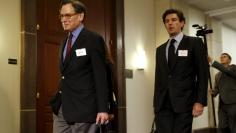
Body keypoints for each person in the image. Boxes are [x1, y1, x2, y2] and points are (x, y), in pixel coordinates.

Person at [53, 0, 109, 133]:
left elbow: (100, 77)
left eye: (68, 15)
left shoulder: (93, 39)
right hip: (62, 108)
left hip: (85, 109)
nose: (63, 19)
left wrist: (103, 109)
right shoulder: (64, 42)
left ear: (80, 16)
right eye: (61, 16)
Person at [153, 9, 209, 133]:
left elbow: (202, 74)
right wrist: (156, 105)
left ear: (182, 23)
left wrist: (200, 101)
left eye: (174, 20)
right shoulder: (160, 50)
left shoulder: (194, 43)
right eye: (167, 21)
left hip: (184, 103)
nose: (170, 23)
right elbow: (159, 79)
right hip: (163, 106)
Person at [209, 53, 236, 133]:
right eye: (221, 57)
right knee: (222, 126)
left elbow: (226, 71)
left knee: (233, 126)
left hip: (233, 103)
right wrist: (213, 92)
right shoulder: (217, 75)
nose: (222, 58)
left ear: (229, 60)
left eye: (224, 57)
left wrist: (212, 62)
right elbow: (217, 88)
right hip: (222, 104)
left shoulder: (233, 68)